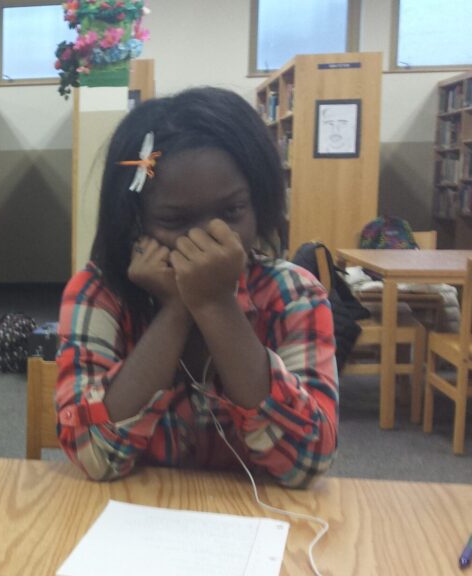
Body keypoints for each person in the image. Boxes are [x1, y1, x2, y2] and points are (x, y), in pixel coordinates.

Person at [55, 87, 338, 489]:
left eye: (232, 212)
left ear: (258, 204)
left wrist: (215, 304)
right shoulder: (97, 293)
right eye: (175, 220)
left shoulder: (293, 293)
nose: (212, 237)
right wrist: (177, 310)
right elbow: (94, 455)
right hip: (133, 520)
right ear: (136, 221)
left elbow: (307, 464)